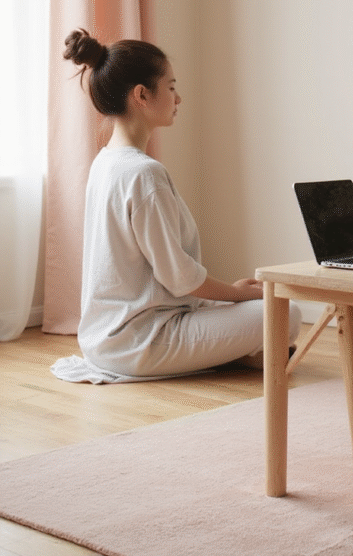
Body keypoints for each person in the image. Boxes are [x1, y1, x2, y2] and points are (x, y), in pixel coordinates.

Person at [51, 29, 301, 383]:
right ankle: (240, 352)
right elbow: (179, 277)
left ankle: (238, 354)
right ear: (142, 95)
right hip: (142, 342)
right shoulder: (143, 173)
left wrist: (231, 296)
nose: (178, 97)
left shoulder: (106, 162)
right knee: (284, 313)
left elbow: (162, 275)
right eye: (170, 87)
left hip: (107, 338)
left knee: (257, 306)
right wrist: (237, 294)